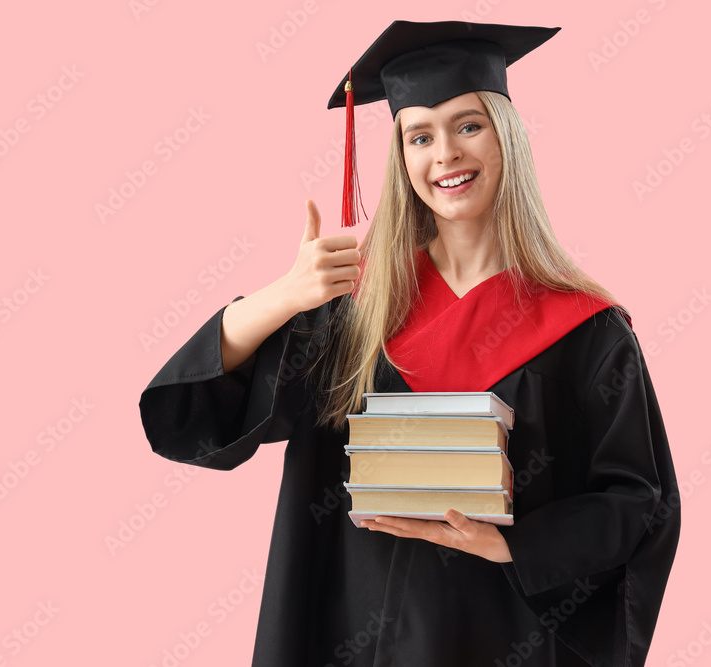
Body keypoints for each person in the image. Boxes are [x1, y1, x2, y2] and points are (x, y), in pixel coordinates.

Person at [139, 20, 680, 667]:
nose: (445, 152)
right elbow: (190, 417)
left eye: (468, 124)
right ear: (401, 157)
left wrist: (516, 543)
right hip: (352, 629)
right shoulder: (352, 311)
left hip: (507, 639)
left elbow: (640, 503)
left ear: (507, 136)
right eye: (419, 134)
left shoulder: (585, 329)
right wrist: (281, 296)